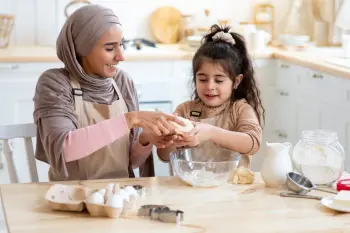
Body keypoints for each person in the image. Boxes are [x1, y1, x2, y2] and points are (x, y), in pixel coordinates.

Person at [33, 4, 183, 181]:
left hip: (120, 196)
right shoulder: (56, 83)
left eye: (121, 45)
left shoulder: (122, 81)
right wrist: (131, 119)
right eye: (110, 48)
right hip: (71, 196)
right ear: (83, 48)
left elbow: (131, 163)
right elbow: (64, 149)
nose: (121, 56)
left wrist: (145, 139)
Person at [157, 24, 264, 168]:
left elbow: (253, 143)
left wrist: (211, 133)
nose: (209, 86)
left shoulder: (240, 109)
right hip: (193, 185)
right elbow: (164, 157)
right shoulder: (186, 110)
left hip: (232, 187)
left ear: (236, 81)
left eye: (219, 80)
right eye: (202, 79)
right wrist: (170, 139)